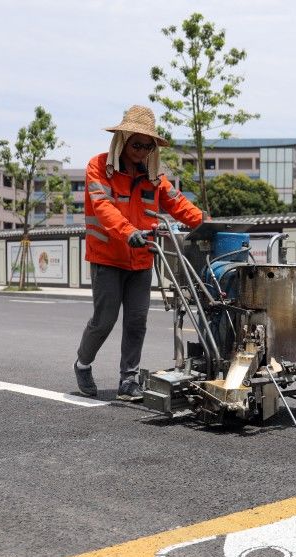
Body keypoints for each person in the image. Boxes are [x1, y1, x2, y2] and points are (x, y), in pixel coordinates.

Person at [74, 105, 205, 400]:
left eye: (148, 146)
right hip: (108, 257)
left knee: (137, 320)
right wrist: (128, 232)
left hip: (142, 258)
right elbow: (103, 207)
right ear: (122, 140)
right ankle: (83, 363)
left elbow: (178, 203)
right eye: (137, 144)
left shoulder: (154, 176)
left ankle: (128, 379)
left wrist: (206, 224)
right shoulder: (98, 167)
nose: (142, 150)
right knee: (104, 320)